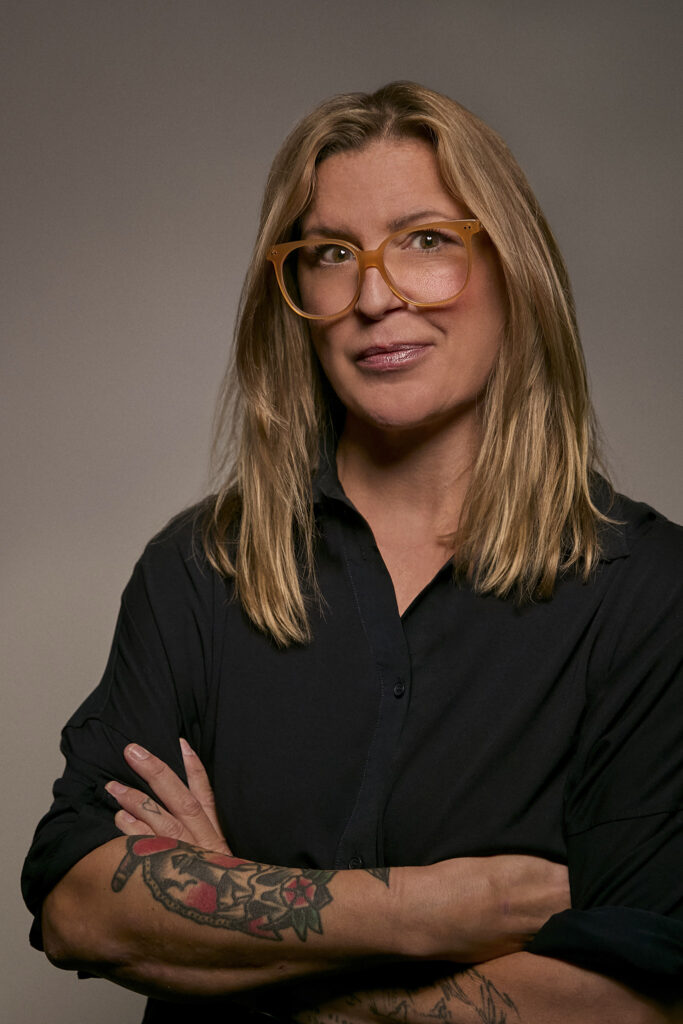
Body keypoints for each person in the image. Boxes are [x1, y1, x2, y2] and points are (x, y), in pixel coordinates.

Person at [22, 82, 683, 1023]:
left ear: (516, 267)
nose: (374, 296)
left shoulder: (651, 594)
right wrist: (427, 913)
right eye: (332, 254)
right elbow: (79, 909)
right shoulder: (202, 568)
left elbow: (632, 1001)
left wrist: (237, 922)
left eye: (425, 240)